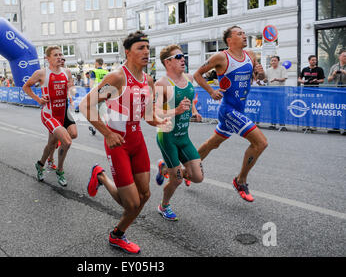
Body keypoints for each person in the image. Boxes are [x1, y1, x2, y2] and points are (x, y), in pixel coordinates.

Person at [80, 31, 169, 254]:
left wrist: (160, 121)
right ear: (128, 52)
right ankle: (117, 233)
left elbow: (148, 115)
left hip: (137, 139)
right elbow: (85, 105)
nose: (146, 52)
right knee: (131, 204)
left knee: (145, 195)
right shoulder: (118, 78)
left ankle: (116, 230)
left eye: (148, 48)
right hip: (117, 142)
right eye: (141, 48)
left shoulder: (147, 80)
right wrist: (107, 134)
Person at [194, 25, 268, 203]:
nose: (244, 35)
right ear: (229, 40)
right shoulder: (221, 57)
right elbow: (197, 74)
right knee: (261, 143)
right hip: (228, 110)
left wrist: (261, 74)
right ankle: (240, 181)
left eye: (244, 33)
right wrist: (211, 92)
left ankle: (185, 170)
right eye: (240, 33)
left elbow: (260, 79)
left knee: (212, 144)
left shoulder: (251, 55)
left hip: (240, 109)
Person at [154, 44, 204, 221]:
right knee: (176, 180)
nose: (183, 59)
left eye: (183, 56)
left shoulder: (190, 78)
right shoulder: (162, 84)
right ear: (167, 62)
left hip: (184, 136)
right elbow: (156, 112)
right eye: (178, 57)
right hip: (167, 137)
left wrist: (194, 111)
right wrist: (176, 111)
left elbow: (190, 100)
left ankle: (164, 168)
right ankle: (164, 206)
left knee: (198, 177)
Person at [22, 46, 74, 187]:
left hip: (62, 113)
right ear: (48, 58)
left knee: (55, 142)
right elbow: (26, 87)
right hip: (49, 114)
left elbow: (70, 85)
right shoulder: (41, 73)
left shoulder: (67, 72)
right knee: (67, 141)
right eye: (55, 55)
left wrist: (70, 93)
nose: (59, 57)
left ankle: (40, 164)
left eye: (60, 54)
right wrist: (38, 99)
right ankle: (60, 171)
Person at [45, 56, 78, 172]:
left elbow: (73, 90)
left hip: (65, 110)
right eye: (60, 59)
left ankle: (61, 140)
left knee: (73, 134)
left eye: (63, 60)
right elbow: (43, 87)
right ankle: (50, 159)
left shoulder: (67, 74)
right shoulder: (48, 73)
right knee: (52, 141)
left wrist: (71, 90)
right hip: (53, 112)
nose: (61, 62)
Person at [264, 55, 288, 131]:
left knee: (281, 108)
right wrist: (262, 80)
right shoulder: (268, 70)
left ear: (278, 61)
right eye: (272, 61)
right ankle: (273, 124)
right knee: (272, 108)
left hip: (280, 91)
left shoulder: (282, 68)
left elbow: (284, 79)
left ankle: (282, 125)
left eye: (275, 60)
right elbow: (265, 79)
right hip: (271, 92)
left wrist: (276, 79)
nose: (273, 62)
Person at [327, 49, 346, 134]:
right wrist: (334, 74)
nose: (345, 57)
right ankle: (336, 127)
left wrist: (344, 72)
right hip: (336, 91)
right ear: (339, 57)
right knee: (337, 109)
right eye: (344, 56)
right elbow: (329, 79)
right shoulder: (334, 67)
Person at [89, 58, 109, 135]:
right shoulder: (106, 72)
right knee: (104, 111)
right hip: (104, 94)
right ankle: (108, 127)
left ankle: (94, 128)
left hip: (95, 93)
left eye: (95, 62)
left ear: (97, 63)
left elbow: (91, 83)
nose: (94, 63)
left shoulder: (94, 71)